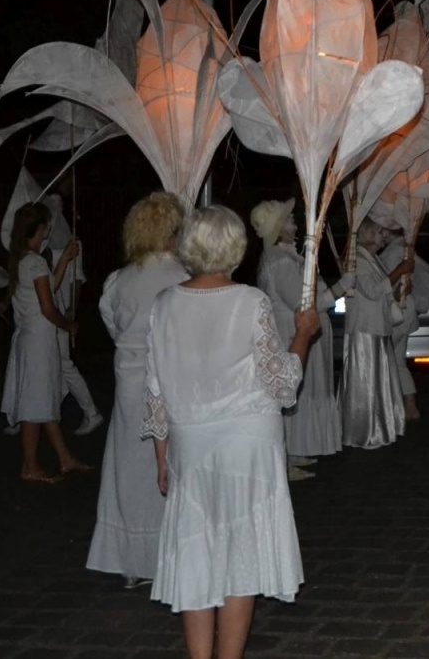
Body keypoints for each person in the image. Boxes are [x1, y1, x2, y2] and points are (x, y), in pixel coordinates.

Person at [143, 205, 320, 659]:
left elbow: (156, 389)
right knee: (241, 555)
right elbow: (282, 386)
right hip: (247, 444)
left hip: (192, 444)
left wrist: (162, 457)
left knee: (197, 553)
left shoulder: (163, 305)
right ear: (234, 248)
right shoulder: (250, 302)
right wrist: (303, 335)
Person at [88, 192, 188, 586]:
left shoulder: (118, 281)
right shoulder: (183, 279)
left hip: (129, 386)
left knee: (130, 470)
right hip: (169, 382)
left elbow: (113, 326)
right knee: (169, 469)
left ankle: (132, 561)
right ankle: (165, 556)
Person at [0, 202, 89, 482]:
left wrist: (64, 260)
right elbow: (49, 308)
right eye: (47, 225)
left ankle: (65, 459)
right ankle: (30, 467)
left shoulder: (24, 260)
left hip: (31, 340)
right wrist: (70, 324)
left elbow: (50, 287)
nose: (50, 228)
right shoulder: (35, 263)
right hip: (38, 343)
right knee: (34, 406)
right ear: (39, 229)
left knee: (43, 401)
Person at [251, 200, 341, 478]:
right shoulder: (280, 261)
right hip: (292, 331)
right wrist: (339, 289)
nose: (294, 224)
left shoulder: (287, 257)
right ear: (279, 230)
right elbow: (302, 304)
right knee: (295, 389)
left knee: (302, 390)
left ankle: (296, 447)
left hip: (295, 329)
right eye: (290, 221)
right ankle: (286, 456)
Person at [338, 219, 413, 449]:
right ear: (368, 234)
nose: (383, 236)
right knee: (366, 382)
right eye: (379, 231)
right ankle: (364, 429)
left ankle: (379, 425)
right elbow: (371, 291)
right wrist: (398, 271)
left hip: (376, 326)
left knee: (378, 380)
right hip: (364, 328)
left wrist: (398, 288)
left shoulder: (371, 259)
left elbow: (380, 290)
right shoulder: (357, 261)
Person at [42, 194, 103, 437]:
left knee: (63, 363)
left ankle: (91, 412)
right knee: (54, 364)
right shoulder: (44, 246)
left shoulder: (71, 242)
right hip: (48, 310)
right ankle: (38, 413)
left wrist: (71, 311)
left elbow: (77, 279)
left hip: (59, 311)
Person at [380, 231, 429, 423]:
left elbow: (390, 284)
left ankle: (388, 406)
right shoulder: (403, 250)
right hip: (406, 311)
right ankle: (409, 405)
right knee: (397, 362)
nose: (382, 234)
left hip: (397, 312)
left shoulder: (394, 252)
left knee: (384, 359)